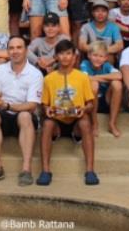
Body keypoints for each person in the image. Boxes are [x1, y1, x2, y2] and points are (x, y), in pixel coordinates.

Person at [37, 39, 98, 186]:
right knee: (47, 124)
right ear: (56, 57)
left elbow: (90, 103)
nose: (65, 57)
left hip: (76, 120)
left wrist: (83, 109)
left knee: (84, 122)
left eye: (68, 53)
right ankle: (45, 170)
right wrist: (48, 110)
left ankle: (90, 170)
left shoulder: (82, 77)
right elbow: (44, 104)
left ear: (74, 56)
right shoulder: (49, 79)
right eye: (61, 54)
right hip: (57, 120)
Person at [0, 36, 43, 186]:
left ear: (26, 50)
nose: (15, 51)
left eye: (19, 47)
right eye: (11, 48)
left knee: (24, 115)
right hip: (3, 113)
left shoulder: (35, 74)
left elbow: (31, 105)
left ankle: (26, 169)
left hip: (24, 116)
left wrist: (8, 106)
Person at [80, 41, 122, 138]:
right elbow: (85, 78)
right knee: (94, 84)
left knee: (117, 84)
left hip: (106, 99)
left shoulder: (106, 66)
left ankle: (112, 123)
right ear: (89, 55)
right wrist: (105, 78)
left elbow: (119, 75)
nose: (98, 59)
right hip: (90, 101)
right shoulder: (85, 64)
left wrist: (96, 76)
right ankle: (95, 124)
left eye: (101, 56)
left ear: (106, 58)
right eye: (95, 55)